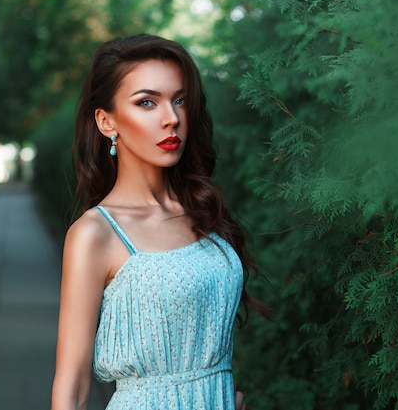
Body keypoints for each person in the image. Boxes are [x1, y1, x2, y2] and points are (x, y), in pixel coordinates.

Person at [51, 33, 256, 410]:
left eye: (179, 100)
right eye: (147, 102)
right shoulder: (94, 234)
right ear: (106, 121)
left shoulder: (201, 209)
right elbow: (72, 390)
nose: (171, 118)